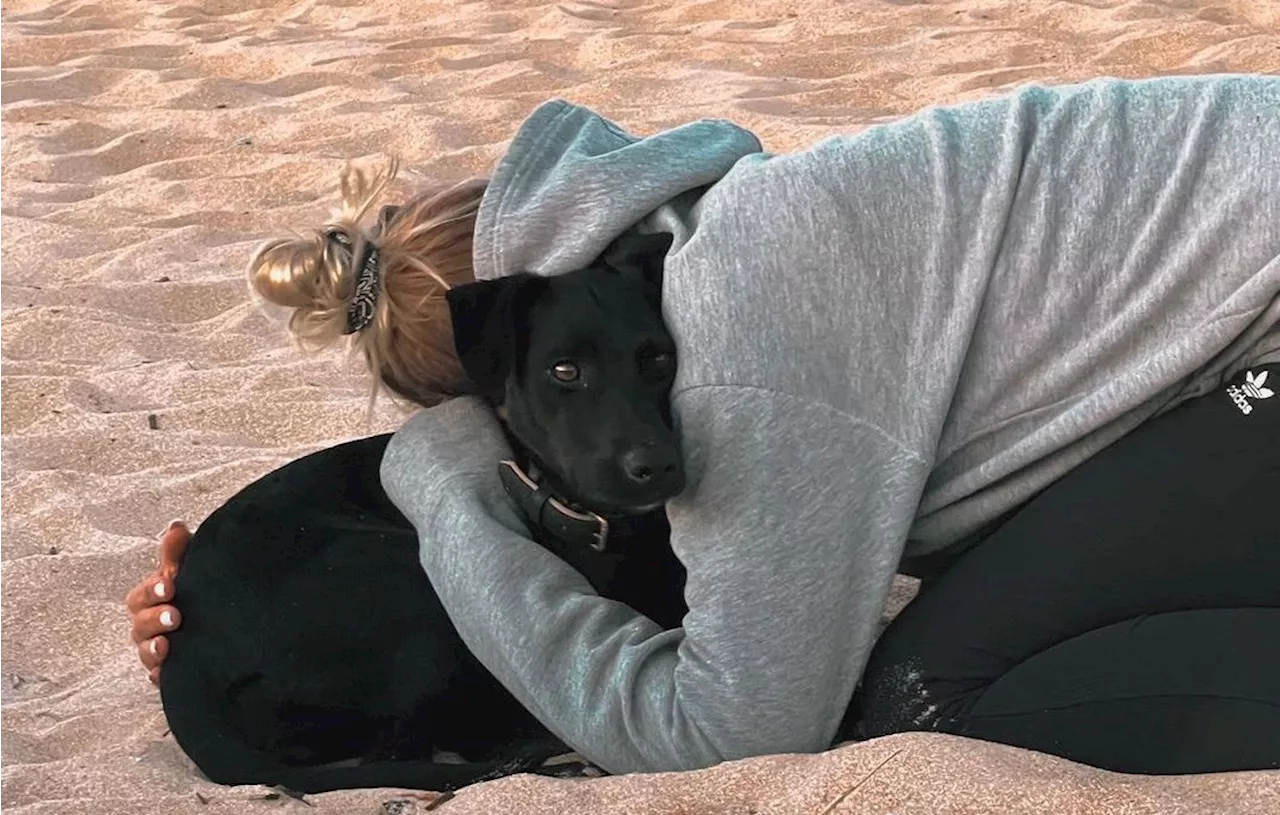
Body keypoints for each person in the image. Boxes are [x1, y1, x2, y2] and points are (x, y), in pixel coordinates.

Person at [130, 73, 1280, 779]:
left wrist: (445, 504)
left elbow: (730, 732)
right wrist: (222, 608)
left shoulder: (739, 344)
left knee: (931, 700)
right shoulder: (708, 229)